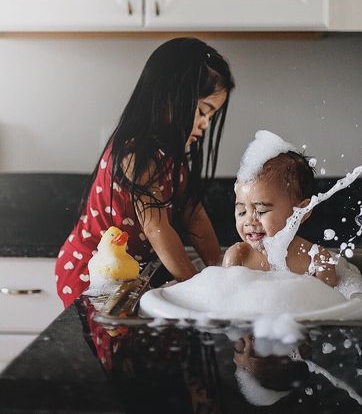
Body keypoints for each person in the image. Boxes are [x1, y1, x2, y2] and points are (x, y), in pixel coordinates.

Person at [56, 37, 235, 307]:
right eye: (202, 111)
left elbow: (193, 214)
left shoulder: (171, 156)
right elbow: (156, 228)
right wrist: (197, 290)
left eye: (211, 116)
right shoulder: (135, 156)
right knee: (109, 342)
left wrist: (218, 265)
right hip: (93, 273)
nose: (205, 124)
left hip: (129, 271)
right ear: (168, 98)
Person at [222, 150, 337, 287]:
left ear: (301, 212)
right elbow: (226, 303)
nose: (249, 221)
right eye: (242, 212)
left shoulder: (318, 260)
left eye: (261, 211)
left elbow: (332, 305)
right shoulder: (237, 257)